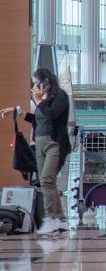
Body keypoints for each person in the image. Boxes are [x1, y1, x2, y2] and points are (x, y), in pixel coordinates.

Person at [1, 68, 72, 234]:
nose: (35, 87)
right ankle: (60, 219)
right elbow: (38, 119)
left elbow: (51, 115)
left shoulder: (60, 96)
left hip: (54, 143)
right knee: (47, 181)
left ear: (46, 82)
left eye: (37, 83)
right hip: (40, 143)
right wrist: (19, 113)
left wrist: (38, 101)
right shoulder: (44, 100)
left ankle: (51, 218)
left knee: (46, 179)